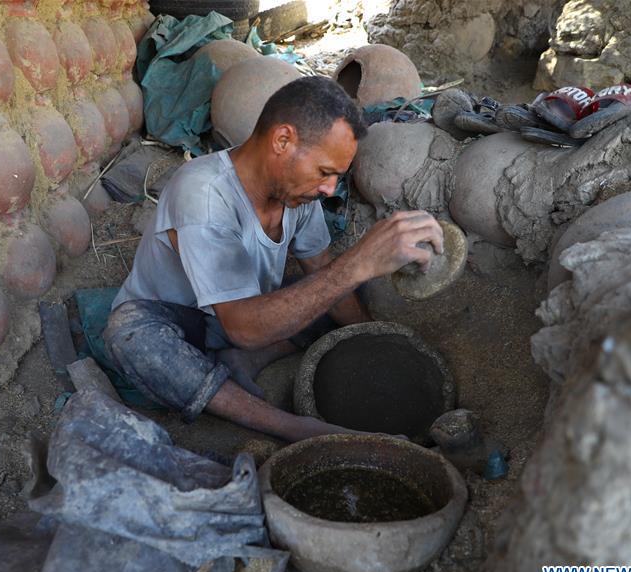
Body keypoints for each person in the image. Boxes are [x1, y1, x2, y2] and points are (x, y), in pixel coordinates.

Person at [103, 76, 444, 442]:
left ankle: (246, 361)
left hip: (245, 314)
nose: (330, 189)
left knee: (329, 291)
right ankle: (294, 427)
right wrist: (356, 264)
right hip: (179, 324)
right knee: (129, 337)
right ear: (282, 141)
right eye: (325, 172)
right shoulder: (202, 197)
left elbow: (321, 270)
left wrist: (376, 340)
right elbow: (244, 328)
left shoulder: (297, 193)